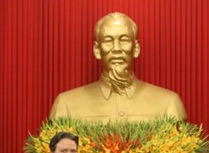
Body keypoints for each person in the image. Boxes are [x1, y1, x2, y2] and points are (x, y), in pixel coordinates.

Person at [49, 12, 187, 122]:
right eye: (108, 41)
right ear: (97, 50)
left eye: (124, 40)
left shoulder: (169, 103)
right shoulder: (66, 104)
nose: (116, 49)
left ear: (136, 48)